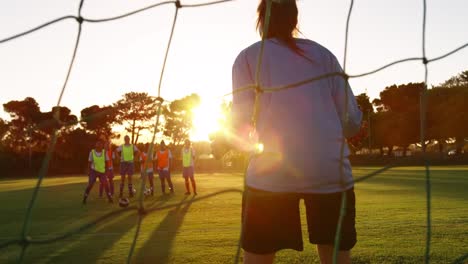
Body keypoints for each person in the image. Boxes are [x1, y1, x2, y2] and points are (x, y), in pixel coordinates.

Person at [231, 1, 362, 263]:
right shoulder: (325, 55)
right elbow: (352, 121)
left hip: (271, 172)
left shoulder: (247, 57)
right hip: (330, 169)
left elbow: (240, 124)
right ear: (295, 19)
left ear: (260, 20)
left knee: (258, 255)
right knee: (335, 255)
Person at [83, 140, 113, 204]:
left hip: (102, 172)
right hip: (93, 171)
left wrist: (107, 171)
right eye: (97, 144)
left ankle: (110, 197)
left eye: (100, 144)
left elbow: (107, 162)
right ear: (95, 145)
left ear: (102, 146)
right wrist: (88, 171)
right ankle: (85, 197)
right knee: (90, 184)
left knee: (106, 185)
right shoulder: (92, 152)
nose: (99, 145)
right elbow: (89, 162)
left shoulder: (104, 152)